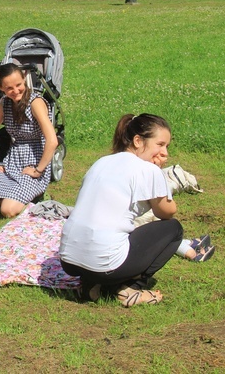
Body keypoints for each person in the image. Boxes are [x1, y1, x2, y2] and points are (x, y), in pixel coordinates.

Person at [59, 113, 184, 307]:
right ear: (137, 141)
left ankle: (90, 285)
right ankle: (131, 288)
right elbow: (166, 212)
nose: (165, 153)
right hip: (106, 264)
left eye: (167, 146)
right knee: (174, 229)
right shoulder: (149, 170)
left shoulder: (101, 162)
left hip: (68, 261)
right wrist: (159, 176)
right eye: (160, 145)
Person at [0, 63, 58, 218]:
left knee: (8, 211)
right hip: (12, 162)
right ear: (1, 87)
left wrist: (38, 170)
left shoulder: (35, 102)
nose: (15, 91)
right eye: (9, 88)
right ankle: (9, 197)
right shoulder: (4, 103)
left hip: (34, 162)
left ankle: (30, 196)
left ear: (24, 79)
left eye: (18, 85)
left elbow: (52, 140)